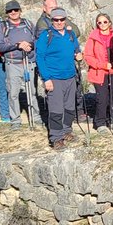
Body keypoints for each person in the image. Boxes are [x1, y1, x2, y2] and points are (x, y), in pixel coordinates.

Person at [34, 8, 83, 149]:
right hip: (54, 78)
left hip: (70, 76)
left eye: (62, 19)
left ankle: (67, 131)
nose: (59, 22)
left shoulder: (70, 34)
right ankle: (56, 138)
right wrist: (46, 79)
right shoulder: (46, 35)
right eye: (56, 20)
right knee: (56, 109)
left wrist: (78, 55)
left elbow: (76, 50)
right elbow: (40, 58)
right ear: (52, 20)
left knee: (69, 107)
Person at [0, 0, 40, 128]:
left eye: (15, 10)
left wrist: (29, 45)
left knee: (32, 91)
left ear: (20, 11)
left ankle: (36, 117)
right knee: (13, 93)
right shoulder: (2, 27)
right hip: (12, 64)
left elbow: (37, 41)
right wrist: (17, 45)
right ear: (7, 13)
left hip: (29, 62)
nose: (13, 12)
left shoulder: (28, 24)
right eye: (10, 11)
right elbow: (0, 47)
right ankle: (15, 120)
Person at [84, 13, 113, 132]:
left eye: (105, 22)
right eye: (100, 22)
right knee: (102, 98)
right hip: (99, 72)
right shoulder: (93, 37)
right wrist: (102, 65)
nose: (102, 24)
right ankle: (100, 123)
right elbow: (88, 56)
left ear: (109, 23)